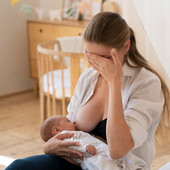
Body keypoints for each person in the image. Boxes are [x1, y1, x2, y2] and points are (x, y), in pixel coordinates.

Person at [6, 12, 170, 170]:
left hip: (117, 167)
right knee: (17, 167)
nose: (94, 64)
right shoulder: (88, 77)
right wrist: (48, 146)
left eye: (103, 58)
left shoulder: (146, 83)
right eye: (89, 55)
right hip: (80, 160)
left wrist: (114, 82)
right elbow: (68, 128)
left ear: (125, 46)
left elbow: (118, 150)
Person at [40, 115, 122, 170]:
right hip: (92, 157)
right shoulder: (64, 137)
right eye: (68, 121)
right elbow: (73, 145)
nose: (73, 122)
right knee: (105, 165)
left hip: (101, 152)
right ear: (57, 130)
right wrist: (85, 148)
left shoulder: (73, 133)